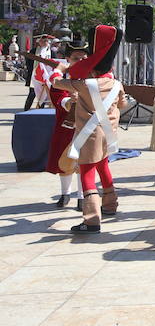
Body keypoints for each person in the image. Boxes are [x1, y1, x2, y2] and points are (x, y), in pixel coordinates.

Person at [51, 25, 128, 234]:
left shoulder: (84, 84)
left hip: (90, 136)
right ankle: (110, 205)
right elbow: (123, 105)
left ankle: (92, 219)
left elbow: (56, 83)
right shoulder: (117, 84)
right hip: (108, 134)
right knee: (104, 168)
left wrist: (61, 68)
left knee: (86, 173)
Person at [45, 37, 89, 208]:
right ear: (68, 60)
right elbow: (58, 99)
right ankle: (65, 194)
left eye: (84, 58)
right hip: (66, 125)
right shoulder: (60, 78)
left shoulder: (92, 77)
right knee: (65, 162)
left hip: (86, 124)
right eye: (76, 58)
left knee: (83, 162)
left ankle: (81, 197)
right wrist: (69, 101)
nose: (80, 62)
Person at [25, 34, 54, 110]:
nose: (45, 42)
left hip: (47, 76)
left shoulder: (52, 52)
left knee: (43, 96)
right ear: (39, 42)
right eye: (43, 41)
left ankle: (41, 111)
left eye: (46, 41)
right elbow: (28, 62)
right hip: (35, 76)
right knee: (32, 94)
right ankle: (26, 110)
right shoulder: (34, 51)